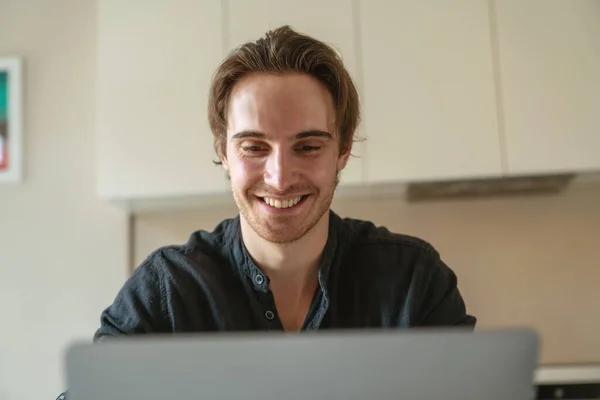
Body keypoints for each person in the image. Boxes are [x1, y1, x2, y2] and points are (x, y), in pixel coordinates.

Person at [55, 23, 475, 400]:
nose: (278, 177)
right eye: (254, 147)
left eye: (308, 147)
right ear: (223, 153)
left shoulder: (413, 280)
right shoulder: (168, 290)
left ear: (343, 150)